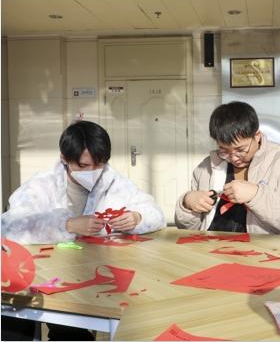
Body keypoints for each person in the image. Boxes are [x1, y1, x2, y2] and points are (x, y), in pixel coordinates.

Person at [1, 120, 165, 342]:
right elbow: (9, 227)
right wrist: (66, 225)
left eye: (99, 164)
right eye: (83, 166)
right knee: (14, 325)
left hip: (89, 278)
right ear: (64, 158)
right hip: (40, 275)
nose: (93, 172)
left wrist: (138, 217)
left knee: (72, 332)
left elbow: (156, 213)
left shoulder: (113, 182)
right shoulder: (42, 185)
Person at [175, 101, 280, 250]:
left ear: (257, 136)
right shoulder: (206, 168)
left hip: (268, 255)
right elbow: (188, 230)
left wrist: (256, 195)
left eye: (240, 150)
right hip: (210, 253)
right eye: (224, 150)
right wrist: (187, 204)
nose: (233, 157)